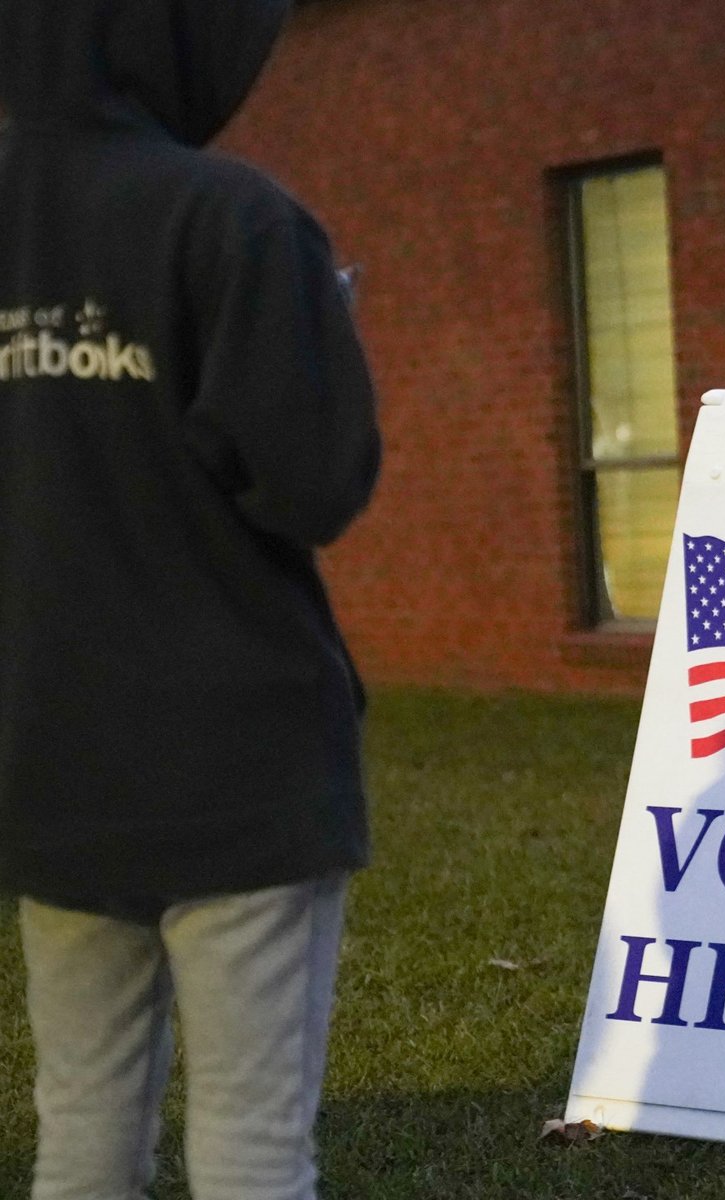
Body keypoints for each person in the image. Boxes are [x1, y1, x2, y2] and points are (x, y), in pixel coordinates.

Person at [0, 0, 381, 1197]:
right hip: (239, 768)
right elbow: (313, 484)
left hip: (47, 763)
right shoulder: (234, 221)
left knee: (82, 1133)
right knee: (254, 1146)